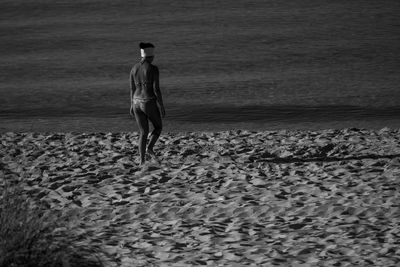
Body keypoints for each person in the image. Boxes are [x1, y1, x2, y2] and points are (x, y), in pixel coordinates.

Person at [130, 42, 165, 165]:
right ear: (151, 55)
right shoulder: (153, 68)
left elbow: (132, 89)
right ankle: (150, 148)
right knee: (158, 127)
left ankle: (141, 161)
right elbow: (156, 89)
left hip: (135, 102)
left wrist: (131, 105)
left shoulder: (134, 68)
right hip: (147, 101)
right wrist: (161, 105)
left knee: (143, 132)